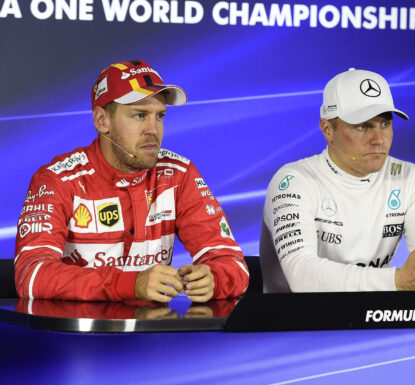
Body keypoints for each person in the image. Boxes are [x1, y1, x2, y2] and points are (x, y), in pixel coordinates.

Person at [14, 59, 249, 303]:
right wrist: (129, 284)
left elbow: (234, 265)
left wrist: (215, 278)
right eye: (139, 115)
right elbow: (31, 276)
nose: (153, 130)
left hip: (153, 335)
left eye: (159, 116)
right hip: (77, 337)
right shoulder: (58, 179)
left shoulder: (178, 174)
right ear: (102, 121)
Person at [259, 68, 415, 292]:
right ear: (327, 129)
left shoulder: (408, 176)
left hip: (371, 319)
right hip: (291, 322)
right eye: (363, 126)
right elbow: (302, 277)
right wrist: (396, 280)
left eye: (385, 124)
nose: (379, 140)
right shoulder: (294, 180)